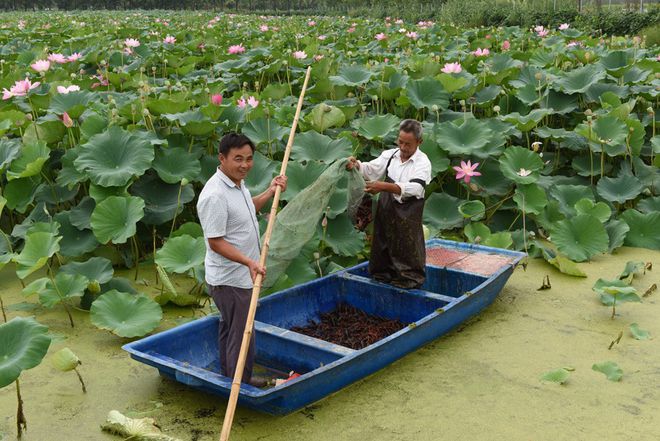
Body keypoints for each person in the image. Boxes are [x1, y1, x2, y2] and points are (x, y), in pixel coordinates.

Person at [197, 132, 287, 387]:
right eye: (238, 159)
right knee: (243, 334)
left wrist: (270, 191)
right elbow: (215, 242)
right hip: (231, 280)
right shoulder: (215, 195)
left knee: (231, 330)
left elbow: (248, 208)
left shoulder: (237, 183)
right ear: (222, 158)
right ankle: (240, 384)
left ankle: (230, 377)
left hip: (241, 276)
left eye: (249, 159)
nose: (245, 165)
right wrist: (248, 262)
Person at [347, 119, 431, 289]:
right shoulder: (390, 155)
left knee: (407, 248)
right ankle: (381, 278)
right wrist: (356, 165)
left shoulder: (423, 162)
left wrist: (383, 186)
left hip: (408, 212)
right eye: (400, 142)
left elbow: (416, 188)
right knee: (382, 243)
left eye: (408, 144)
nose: (403, 147)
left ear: (419, 142)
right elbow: (371, 169)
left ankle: (408, 282)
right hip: (386, 208)